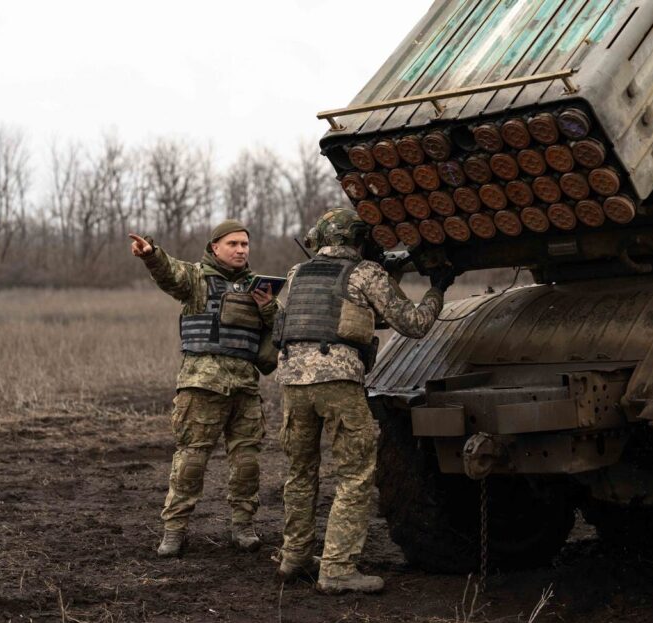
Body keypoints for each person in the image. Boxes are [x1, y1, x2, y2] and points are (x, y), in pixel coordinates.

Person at [274, 207, 452, 594]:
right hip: (337, 382)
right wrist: (438, 288)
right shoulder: (365, 273)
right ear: (358, 240)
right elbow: (414, 324)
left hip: (291, 382)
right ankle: (337, 569)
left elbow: (354, 312)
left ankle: (295, 557)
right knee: (355, 473)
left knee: (301, 473)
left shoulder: (296, 274)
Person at [130, 220, 278, 558]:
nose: (241, 250)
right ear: (214, 248)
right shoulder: (196, 278)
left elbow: (279, 327)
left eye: (245, 244)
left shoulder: (261, 288)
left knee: (247, 464)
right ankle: (174, 531)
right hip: (201, 387)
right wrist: (151, 254)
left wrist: (268, 306)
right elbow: (169, 273)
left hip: (244, 387)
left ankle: (243, 526)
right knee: (191, 462)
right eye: (233, 244)